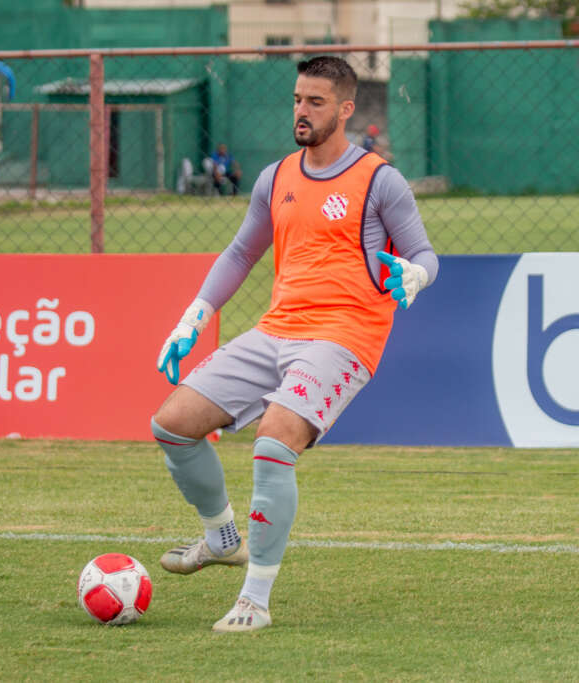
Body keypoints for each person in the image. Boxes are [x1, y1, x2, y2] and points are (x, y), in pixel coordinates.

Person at [151, 55, 438, 633]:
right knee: (172, 423)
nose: (301, 112)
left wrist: (416, 276)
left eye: (315, 102)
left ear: (346, 109)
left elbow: (425, 254)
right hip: (276, 329)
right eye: (297, 100)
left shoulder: (379, 179)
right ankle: (221, 534)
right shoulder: (275, 177)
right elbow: (240, 254)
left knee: (274, 441)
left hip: (344, 335)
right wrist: (194, 315)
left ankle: (254, 599)